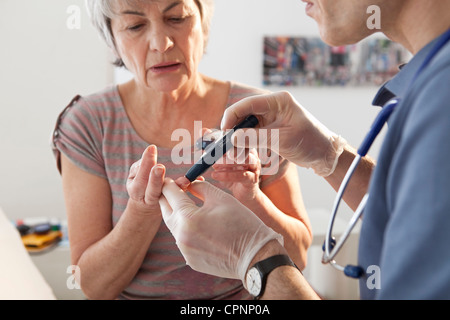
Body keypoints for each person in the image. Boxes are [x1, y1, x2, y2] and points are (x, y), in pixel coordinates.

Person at [159, 0, 450, 299]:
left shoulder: (442, 99)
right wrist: (330, 156)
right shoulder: (432, 80)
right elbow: (421, 222)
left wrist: (256, 260)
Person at [51, 0, 312, 300]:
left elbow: (299, 256)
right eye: (135, 26)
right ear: (111, 40)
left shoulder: (258, 111)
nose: (161, 43)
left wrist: (251, 197)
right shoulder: (87, 122)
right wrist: (141, 210)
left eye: (177, 17)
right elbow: (93, 286)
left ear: (204, 23)